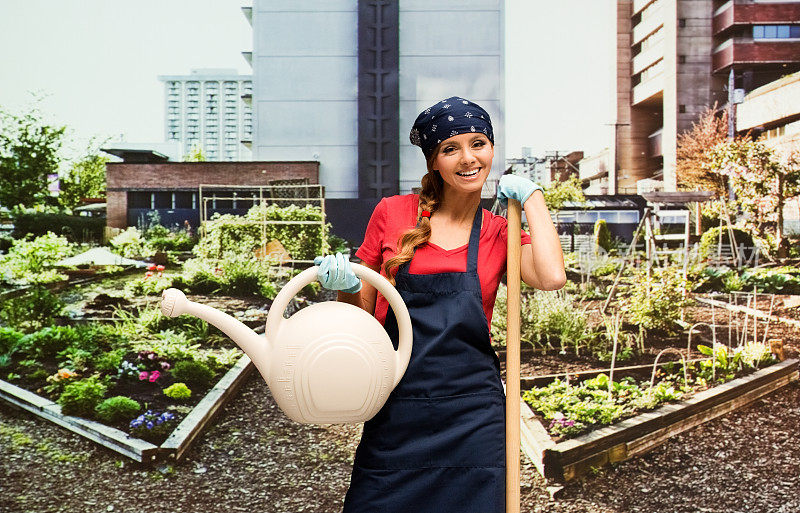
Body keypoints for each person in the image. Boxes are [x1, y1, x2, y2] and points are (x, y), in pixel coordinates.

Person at [314, 96, 566, 513]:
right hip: (398, 405)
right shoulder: (393, 212)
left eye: (478, 143)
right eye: (451, 149)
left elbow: (552, 277)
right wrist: (344, 287)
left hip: (473, 413)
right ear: (434, 162)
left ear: (491, 149)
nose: (468, 158)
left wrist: (534, 198)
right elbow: (359, 319)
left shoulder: (499, 231)